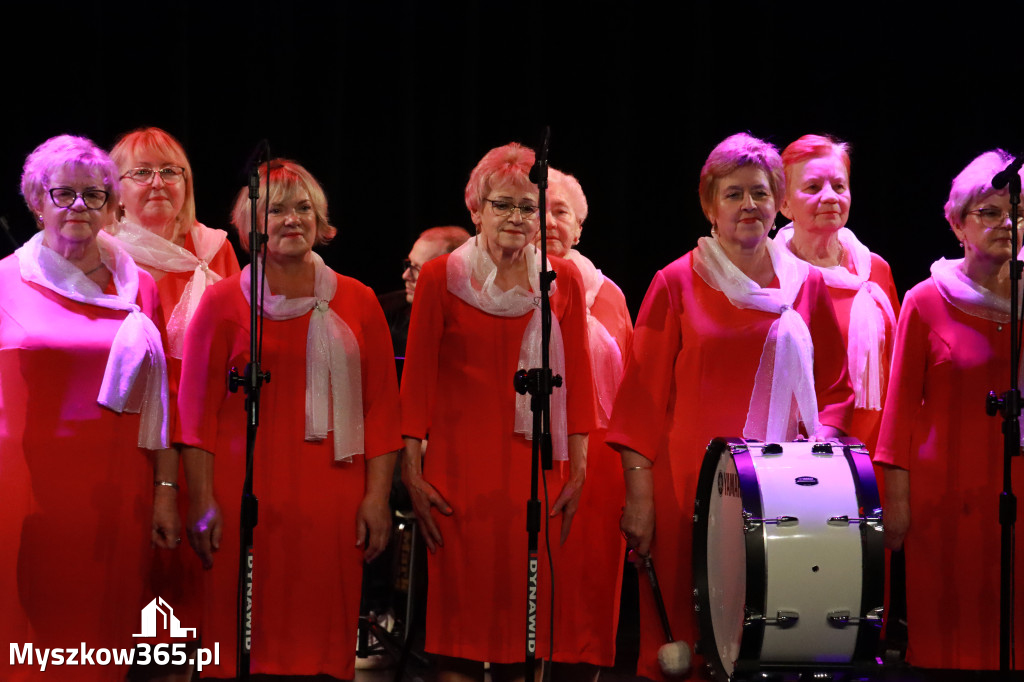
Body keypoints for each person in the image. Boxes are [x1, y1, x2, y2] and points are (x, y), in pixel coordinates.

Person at [607, 133, 854, 681]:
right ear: (709, 206)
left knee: (768, 642)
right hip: (685, 496)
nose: (749, 205)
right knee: (686, 653)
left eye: (761, 194)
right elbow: (641, 401)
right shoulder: (675, 281)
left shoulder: (808, 286)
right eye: (734, 194)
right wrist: (640, 498)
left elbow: (836, 389)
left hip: (783, 497)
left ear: (777, 203)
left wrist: (820, 451)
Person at [177, 159, 402, 679]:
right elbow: (194, 416)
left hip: (333, 495)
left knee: (320, 639)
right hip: (242, 497)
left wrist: (375, 497)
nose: (292, 219)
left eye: (304, 208)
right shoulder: (220, 303)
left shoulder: (359, 300)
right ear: (252, 223)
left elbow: (382, 410)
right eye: (276, 209)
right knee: (241, 643)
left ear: (321, 222)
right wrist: (203, 499)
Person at [400, 142, 596, 682]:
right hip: (459, 476)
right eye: (502, 205)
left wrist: (579, 467)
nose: (516, 217)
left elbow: (577, 380)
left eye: (528, 207)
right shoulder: (441, 277)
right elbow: (415, 385)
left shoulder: (563, 280)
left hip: (538, 473)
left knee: (526, 632)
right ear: (476, 210)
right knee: (457, 637)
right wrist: (411, 473)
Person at [0, 134, 172, 681]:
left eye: (93, 195)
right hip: (24, 493)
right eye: (64, 194)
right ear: (37, 201)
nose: (79, 206)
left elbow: (159, 398)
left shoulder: (139, 286)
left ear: (111, 204)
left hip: (118, 492)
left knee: (103, 644)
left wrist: (167, 490)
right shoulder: (4, 280)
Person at [875, 149, 1024, 672]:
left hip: (1018, 496)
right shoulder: (924, 300)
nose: (1007, 223)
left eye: (1018, 213)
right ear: (957, 222)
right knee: (948, 640)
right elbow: (896, 416)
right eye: (990, 211)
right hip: (944, 501)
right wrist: (896, 505)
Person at [538, 168, 632, 681]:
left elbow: (632, 395)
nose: (550, 221)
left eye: (561, 212)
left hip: (599, 469)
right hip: (532, 454)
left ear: (579, 228)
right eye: (540, 210)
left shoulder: (611, 295)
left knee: (588, 604)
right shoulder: (502, 289)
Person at [774, 134, 900, 452]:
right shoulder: (771, 277)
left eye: (839, 186)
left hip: (875, 442)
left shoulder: (874, 271)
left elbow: (898, 366)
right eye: (814, 187)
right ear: (784, 203)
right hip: (800, 449)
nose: (830, 197)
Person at [107, 126, 240, 362]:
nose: (158, 182)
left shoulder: (213, 249)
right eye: (142, 172)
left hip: (200, 394)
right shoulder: (100, 252)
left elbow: (239, 340)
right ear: (116, 192)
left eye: (169, 171)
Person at [378, 225, 471, 359]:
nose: (405, 275)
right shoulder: (382, 310)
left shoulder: (482, 324)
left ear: (454, 273)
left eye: (417, 268)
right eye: (409, 264)